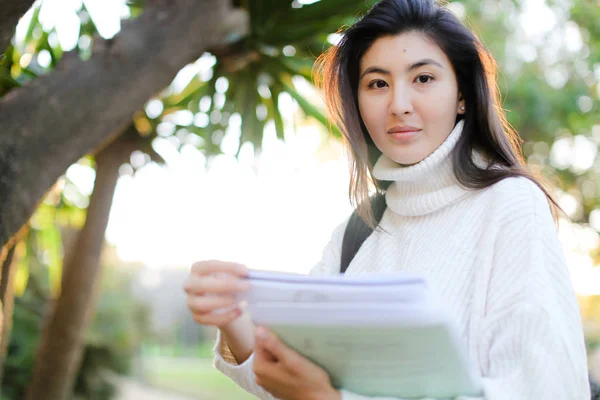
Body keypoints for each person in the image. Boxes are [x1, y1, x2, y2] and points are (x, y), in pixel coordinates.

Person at [183, 0, 591, 399]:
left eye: (423, 79)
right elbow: (292, 379)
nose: (398, 105)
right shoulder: (356, 232)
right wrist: (233, 318)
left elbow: (543, 388)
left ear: (462, 95)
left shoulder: (510, 205)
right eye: (377, 84)